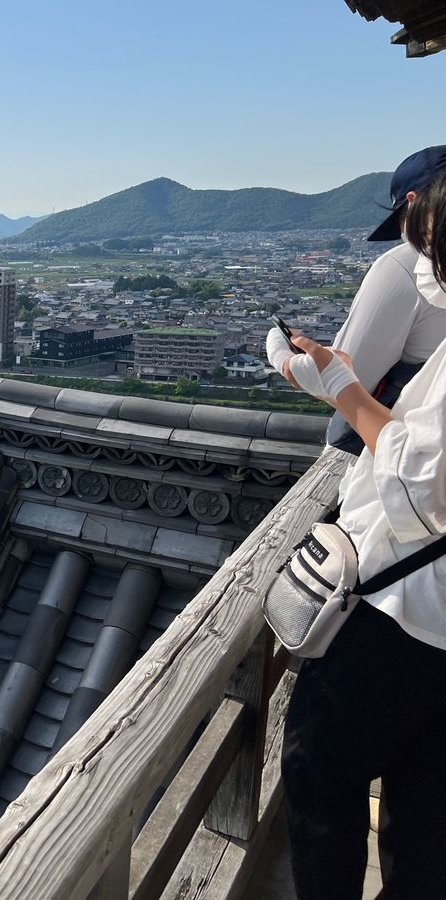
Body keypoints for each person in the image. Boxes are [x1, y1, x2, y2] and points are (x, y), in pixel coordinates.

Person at [274, 169, 446, 900]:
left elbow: (422, 482)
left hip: (410, 609)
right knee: (428, 801)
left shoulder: (405, 279)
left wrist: (343, 386)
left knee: (318, 769)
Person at [272, 146, 446, 455]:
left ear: (412, 202)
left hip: (405, 456)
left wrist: (280, 355)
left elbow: (348, 381)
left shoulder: (407, 266)